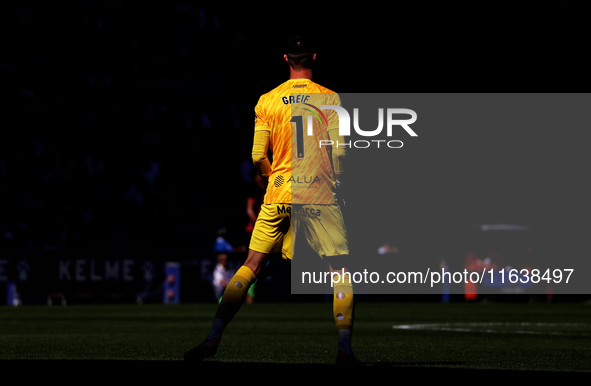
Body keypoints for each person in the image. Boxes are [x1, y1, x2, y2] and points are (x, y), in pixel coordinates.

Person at [184, 34, 359, 365]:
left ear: (285, 59)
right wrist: (337, 182)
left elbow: (256, 156)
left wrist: (271, 177)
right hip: (319, 191)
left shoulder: (267, 100)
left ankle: (213, 337)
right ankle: (344, 349)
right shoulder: (330, 99)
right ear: (314, 58)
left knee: (250, 265)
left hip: (279, 189)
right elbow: (341, 154)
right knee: (340, 271)